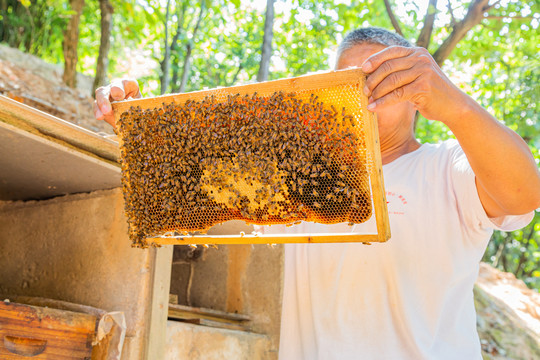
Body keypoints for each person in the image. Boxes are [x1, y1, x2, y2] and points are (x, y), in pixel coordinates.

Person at [94, 27, 540, 359]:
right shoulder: (292, 182)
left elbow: (524, 193)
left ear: (416, 91)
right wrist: (142, 128)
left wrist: (457, 106)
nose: (361, 95)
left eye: (381, 79)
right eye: (344, 83)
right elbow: (191, 187)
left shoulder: (446, 166)